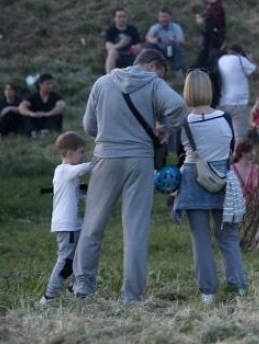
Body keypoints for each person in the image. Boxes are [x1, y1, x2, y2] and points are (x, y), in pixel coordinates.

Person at [74, 49, 185, 302]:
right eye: (160, 72)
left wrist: (108, 132)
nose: (160, 77)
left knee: (93, 224)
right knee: (135, 228)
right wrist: (167, 128)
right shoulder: (154, 83)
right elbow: (178, 106)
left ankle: (83, 288)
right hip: (139, 160)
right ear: (152, 66)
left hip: (106, 156)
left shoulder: (102, 82)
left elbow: (88, 126)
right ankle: (132, 296)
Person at [172, 70, 247, 304]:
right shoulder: (224, 118)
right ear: (209, 88)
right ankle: (238, 286)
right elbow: (231, 150)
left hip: (193, 178)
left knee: (201, 238)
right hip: (222, 177)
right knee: (228, 237)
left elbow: (179, 154)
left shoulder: (184, 123)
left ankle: (208, 292)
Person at [39, 132, 93, 305]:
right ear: (68, 153)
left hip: (72, 224)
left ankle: (73, 288)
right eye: (81, 152)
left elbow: (79, 191)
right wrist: (100, 161)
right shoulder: (63, 170)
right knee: (65, 260)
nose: (84, 155)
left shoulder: (69, 175)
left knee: (77, 257)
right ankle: (49, 296)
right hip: (67, 225)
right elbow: (83, 168)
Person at [217, 45, 257, 145]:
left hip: (222, 102)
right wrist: (250, 59)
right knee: (240, 137)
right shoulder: (241, 60)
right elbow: (255, 72)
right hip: (239, 102)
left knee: (224, 135)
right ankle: (237, 158)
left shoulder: (220, 60)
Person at [19, 73, 66, 138]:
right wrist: (32, 114)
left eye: (51, 84)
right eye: (47, 84)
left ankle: (46, 132)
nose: (50, 86)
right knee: (27, 116)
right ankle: (33, 132)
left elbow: (61, 106)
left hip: (49, 119)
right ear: (40, 84)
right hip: (37, 120)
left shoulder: (56, 96)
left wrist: (48, 114)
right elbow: (22, 106)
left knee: (57, 115)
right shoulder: (33, 97)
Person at [194, 0, 226, 71]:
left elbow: (212, 23)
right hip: (212, 36)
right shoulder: (215, 7)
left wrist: (202, 22)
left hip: (213, 37)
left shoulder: (216, 8)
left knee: (209, 57)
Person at [145, 9, 185, 74]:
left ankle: (178, 70)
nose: (164, 19)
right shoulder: (155, 28)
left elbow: (182, 40)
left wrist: (173, 40)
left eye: (165, 16)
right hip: (159, 51)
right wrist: (158, 40)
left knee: (177, 46)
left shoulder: (176, 27)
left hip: (171, 50)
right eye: (162, 17)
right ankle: (153, 69)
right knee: (150, 46)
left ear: (170, 17)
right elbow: (148, 38)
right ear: (158, 18)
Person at [104, 8, 142, 74]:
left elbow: (138, 45)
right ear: (115, 18)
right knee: (112, 52)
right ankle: (109, 76)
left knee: (143, 52)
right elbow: (108, 47)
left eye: (124, 16)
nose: (122, 19)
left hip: (131, 53)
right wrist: (121, 44)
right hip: (118, 54)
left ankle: (144, 75)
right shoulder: (111, 30)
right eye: (119, 17)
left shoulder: (132, 29)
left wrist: (134, 48)